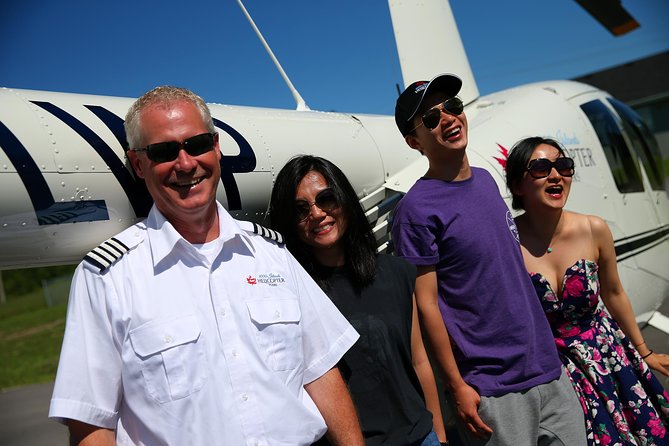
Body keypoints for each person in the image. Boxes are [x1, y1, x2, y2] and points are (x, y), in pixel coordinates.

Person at [48, 86, 365, 446]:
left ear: (216, 147)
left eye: (197, 144)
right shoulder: (107, 277)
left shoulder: (270, 252)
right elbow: (91, 424)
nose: (185, 164)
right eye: (164, 152)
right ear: (138, 164)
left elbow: (321, 370)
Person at [391, 74, 587, 446]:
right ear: (414, 141)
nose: (448, 118)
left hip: (548, 370)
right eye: (431, 118)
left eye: (453, 107)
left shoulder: (485, 181)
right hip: (492, 388)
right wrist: (456, 386)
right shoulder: (416, 210)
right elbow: (426, 305)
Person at [268, 155, 448, 446]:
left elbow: (418, 361)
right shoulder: (292, 293)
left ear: (344, 199)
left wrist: (440, 435)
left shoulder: (398, 273)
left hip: (421, 438)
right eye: (300, 209)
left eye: (326, 199)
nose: (316, 214)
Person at [505, 136, 669, 445]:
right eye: (541, 168)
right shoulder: (507, 242)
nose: (556, 175)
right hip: (555, 372)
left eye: (563, 166)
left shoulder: (594, 228)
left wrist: (644, 352)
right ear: (517, 185)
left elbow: (614, 292)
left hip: (609, 358)